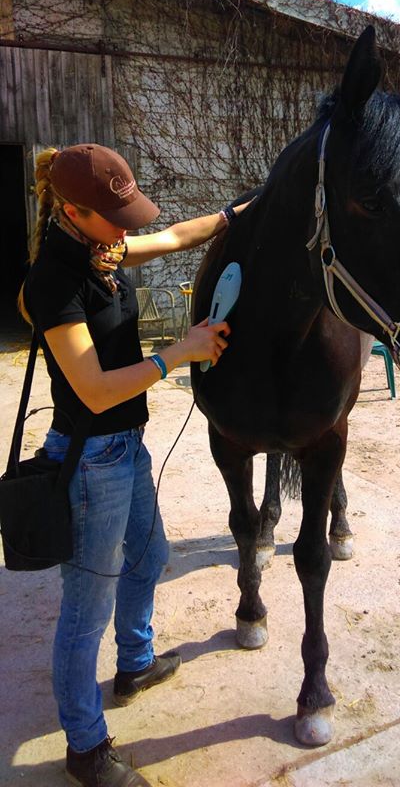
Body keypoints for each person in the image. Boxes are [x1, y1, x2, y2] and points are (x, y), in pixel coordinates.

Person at [18, 143, 240, 787]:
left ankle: (136, 661)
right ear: (71, 211)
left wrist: (237, 215)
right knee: (85, 610)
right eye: (116, 218)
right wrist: (182, 352)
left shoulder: (102, 248)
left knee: (147, 555)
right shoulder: (54, 281)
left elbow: (172, 237)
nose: (129, 230)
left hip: (126, 447)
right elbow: (92, 388)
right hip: (89, 461)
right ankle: (84, 748)